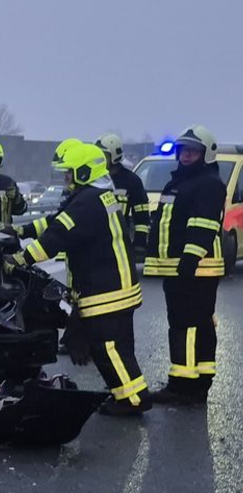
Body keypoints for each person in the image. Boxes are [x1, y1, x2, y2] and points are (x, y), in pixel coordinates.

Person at [16, 142, 150, 417]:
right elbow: (56, 221)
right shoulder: (96, 197)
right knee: (117, 348)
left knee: (109, 348)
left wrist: (20, 260)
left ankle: (134, 399)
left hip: (107, 290)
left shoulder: (87, 202)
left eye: (69, 173)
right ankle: (126, 393)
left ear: (84, 172)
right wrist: (22, 229)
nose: (65, 179)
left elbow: (54, 238)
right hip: (116, 285)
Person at [143, 125, 227, 406]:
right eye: (183, 150)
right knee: (193, 324)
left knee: (186, 325)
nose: (186, 155)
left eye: (193, 150)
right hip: (181, 267)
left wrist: (189, 262)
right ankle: (194, 384)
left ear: (207, 154)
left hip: (195, 268)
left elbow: (202, 225)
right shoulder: (180, 182)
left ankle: (184, 386)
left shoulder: (208, 184)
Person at [96, 133, 150, 249]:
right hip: (95, 240)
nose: (99, 159)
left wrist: (139, 243)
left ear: (114, 156)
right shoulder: (93, 178)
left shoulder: (131, 181)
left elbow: (141, 216)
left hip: (119, 242)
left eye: (103, 155)